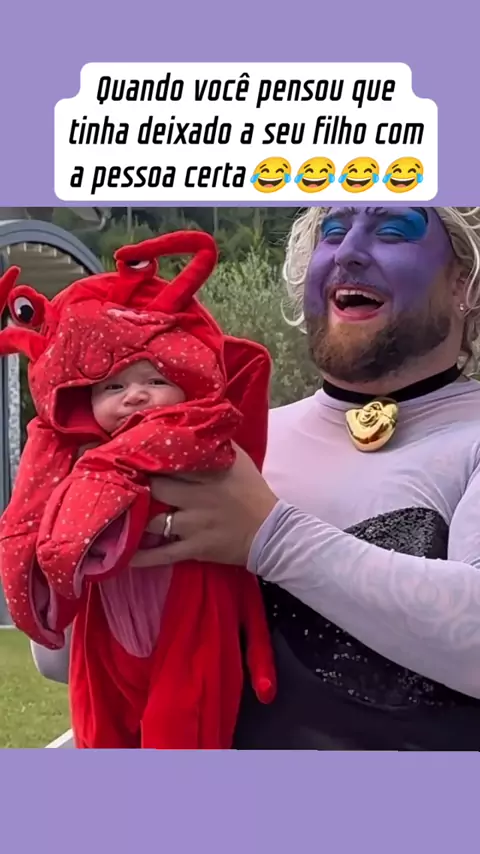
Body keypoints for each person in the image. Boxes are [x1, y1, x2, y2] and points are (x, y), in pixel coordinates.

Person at [32, 206, 480, 751]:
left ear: (465, 281)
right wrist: (69, 526)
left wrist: (269, 537)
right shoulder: (223, 435)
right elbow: (57, 658)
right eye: (332, 233)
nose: (348, 252)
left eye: (391, 232)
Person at [0, 230, 276, 749]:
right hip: (104, 620)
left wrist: (103, 466)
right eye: (113, 386)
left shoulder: (204, 428)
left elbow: (201, 450)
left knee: (183, 728)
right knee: (100, 729)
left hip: (190, 612)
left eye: (154, 380)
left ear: (187, 381)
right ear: (84, 398)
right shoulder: (68, 456)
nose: (135, 397)